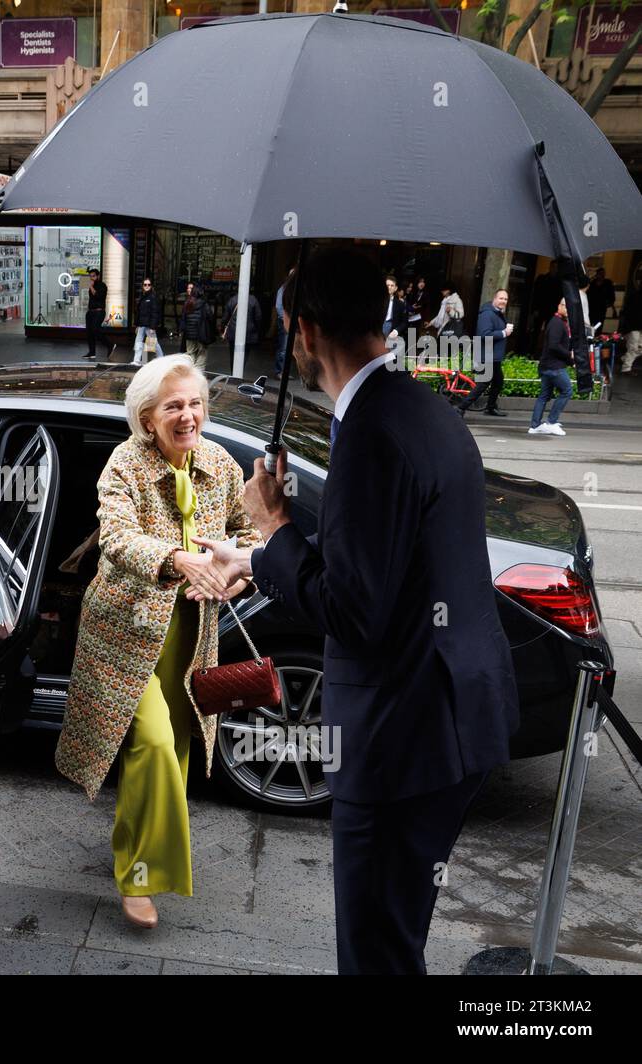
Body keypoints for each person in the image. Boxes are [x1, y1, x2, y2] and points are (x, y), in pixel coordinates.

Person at [200, 248, 519, 974]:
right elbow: (387, 564)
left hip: (400, 738)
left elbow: (354, 610)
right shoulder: (420, 407)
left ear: (304, 332)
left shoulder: (370, 434)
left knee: (376, 953)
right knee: (394, 937)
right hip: (451, 717)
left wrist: (275, 526)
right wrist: (255, 561)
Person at [55, 355, 261, 930]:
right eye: (174, 406)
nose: (188, 415)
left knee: (177, 747)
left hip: (192, 633)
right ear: (148, 418)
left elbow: (247, 538)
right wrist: (179, 560)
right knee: (150, 744)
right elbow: (117, 539)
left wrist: (234, 576)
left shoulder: (220, 464)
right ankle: (143, 876)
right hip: (125, 628)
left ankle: (136, 845)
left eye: (195, 403)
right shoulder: (124, 462)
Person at [457, 289, 514, 418]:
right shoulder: (487, 314)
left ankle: (490, 407)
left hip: (493, 356)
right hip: (486, 355)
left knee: (498, 381)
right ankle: (461, 407)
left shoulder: (497, 313)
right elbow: (484, 335)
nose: (503, 301)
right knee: (483, 383)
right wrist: (504, 332)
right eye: (501, 298)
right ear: (494, 299)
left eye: (505, 299)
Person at [530, 297, 573, 437]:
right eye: (565, 305)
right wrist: (570, 355)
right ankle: (551, 422)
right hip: (554, 366)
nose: (567, 308)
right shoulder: (556, 323)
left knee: (544, 396)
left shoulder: (558, 322)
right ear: (559, 306)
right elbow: (554, 345)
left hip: (548, 365)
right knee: (567, 390)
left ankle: (535, 426)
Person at [179, 283, 213, 368]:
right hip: (201, 334)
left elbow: (184, 318)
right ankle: (198, 372)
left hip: (189, 334)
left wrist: (182, 330)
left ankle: (190, 371)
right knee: (202, 353)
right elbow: (210, 317)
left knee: (190, 353)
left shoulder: (188, 303)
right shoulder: (204, 304)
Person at [132, 277, 164, 363]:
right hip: (142, 325)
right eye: (145, 284)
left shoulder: (153, 297)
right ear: (142, 286)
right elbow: (139, 312)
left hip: (149, 325)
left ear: (151, 286)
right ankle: (137, 360)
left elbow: (155, 313)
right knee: (138, 341)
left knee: (153, 343)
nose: (147, 286)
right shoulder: (143, 297)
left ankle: (161, 358)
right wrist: (137, 325)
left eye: (148, 285)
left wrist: (153, 327)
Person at [223, 290, 261, 358]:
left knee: (232, 355)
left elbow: (225, 317)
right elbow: (258, 317)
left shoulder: (232, 299)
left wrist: (222, 328)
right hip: (248, 332)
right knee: (245, 355)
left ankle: (233, 368)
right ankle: (241, 367)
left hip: (233, 332)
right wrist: (256, 329)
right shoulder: (253, 300)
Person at [84, 267, 109, 359]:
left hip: (99, 312)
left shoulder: (102, 285)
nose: (91, 278)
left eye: (93, 276)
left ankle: (109, 345)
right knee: (89, 333)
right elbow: (92, 299)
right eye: (90, 276)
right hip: (90, 312)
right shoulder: (92, 287)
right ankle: (92, 352)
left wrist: (91, 287)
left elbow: (98, 296)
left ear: (98, 276)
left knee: (96, 330)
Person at [586, 267, 615, 334]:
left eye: (603, 274)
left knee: (599, 325)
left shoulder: (608, 283)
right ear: (597, 274)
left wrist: (609, 304)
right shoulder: (592, 283)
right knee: (589, 324)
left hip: (601, 309)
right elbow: (588, 295)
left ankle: (597, 338)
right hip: (591, 308)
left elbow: (611, 295)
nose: (601, 275)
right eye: (600, 274)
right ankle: (589, 337)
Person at [382, 275, 408, 342]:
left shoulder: (401, 304)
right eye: (387, 285)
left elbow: (405, 322)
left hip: (393, 329)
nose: (389, 287)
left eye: (392, 285)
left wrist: (397, 330)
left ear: (396, 288)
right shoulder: (378, 302)